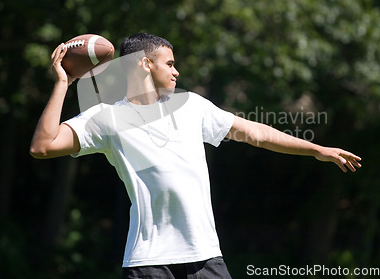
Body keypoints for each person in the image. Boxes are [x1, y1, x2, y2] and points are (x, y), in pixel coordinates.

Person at [30, 33, 361, 279]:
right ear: (145, 64)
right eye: (170, 63)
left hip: (204, 258)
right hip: (148, 262)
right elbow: (42, 146)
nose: (176, 72)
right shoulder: (105, 117)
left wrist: (317, 149)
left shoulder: (192, 107)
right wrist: (64, 82)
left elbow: (257, 133)